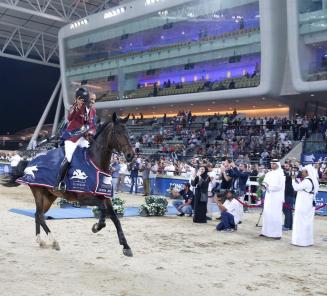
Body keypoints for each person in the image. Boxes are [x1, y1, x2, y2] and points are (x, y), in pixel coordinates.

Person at [54, 87, 96, 191]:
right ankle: (59, 182)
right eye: (91, 99)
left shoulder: (93, 111)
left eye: (94, 100)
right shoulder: (77, 107)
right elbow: (70, 117)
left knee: (91, 154)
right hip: (71, 137)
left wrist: (91, 132)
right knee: (68, 157)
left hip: (82, 138)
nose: (93, 102)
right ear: (85, 99)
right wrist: (77, 105)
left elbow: (92, 126)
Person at [291, 165, 318, 247]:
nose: (301, 173)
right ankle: (308, 241)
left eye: (303, 171)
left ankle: (300, 241)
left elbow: (296, 188)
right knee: (307, 221)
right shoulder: (314, 180)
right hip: (309, 203)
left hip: (303, 203)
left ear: (307, 172)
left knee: (301, 221)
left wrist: (293, 179)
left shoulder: (307, 181)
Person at [260, 160, 285, 239]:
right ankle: (266, 232)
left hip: (276, 197)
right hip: (268, 196)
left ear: (277, 164)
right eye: (271, 163)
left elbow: (279, 186)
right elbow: (265, 182)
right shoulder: (269, 173)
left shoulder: (281, 174)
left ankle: (276, 234)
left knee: (275, 215)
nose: (272, 165)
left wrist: (268, 187)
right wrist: (263, 186)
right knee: (267, 213)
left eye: (274, 164)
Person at [283, 163, 295, 230]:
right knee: (289, 211)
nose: (285, 167)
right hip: (288, 194)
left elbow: (288, 179)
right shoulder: (288, 173)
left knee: (286, 210)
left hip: (288, 194)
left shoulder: (291, 174)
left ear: (290, 167)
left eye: (287, 166)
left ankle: (287, 226)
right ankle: (289, 225)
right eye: (285, 166)